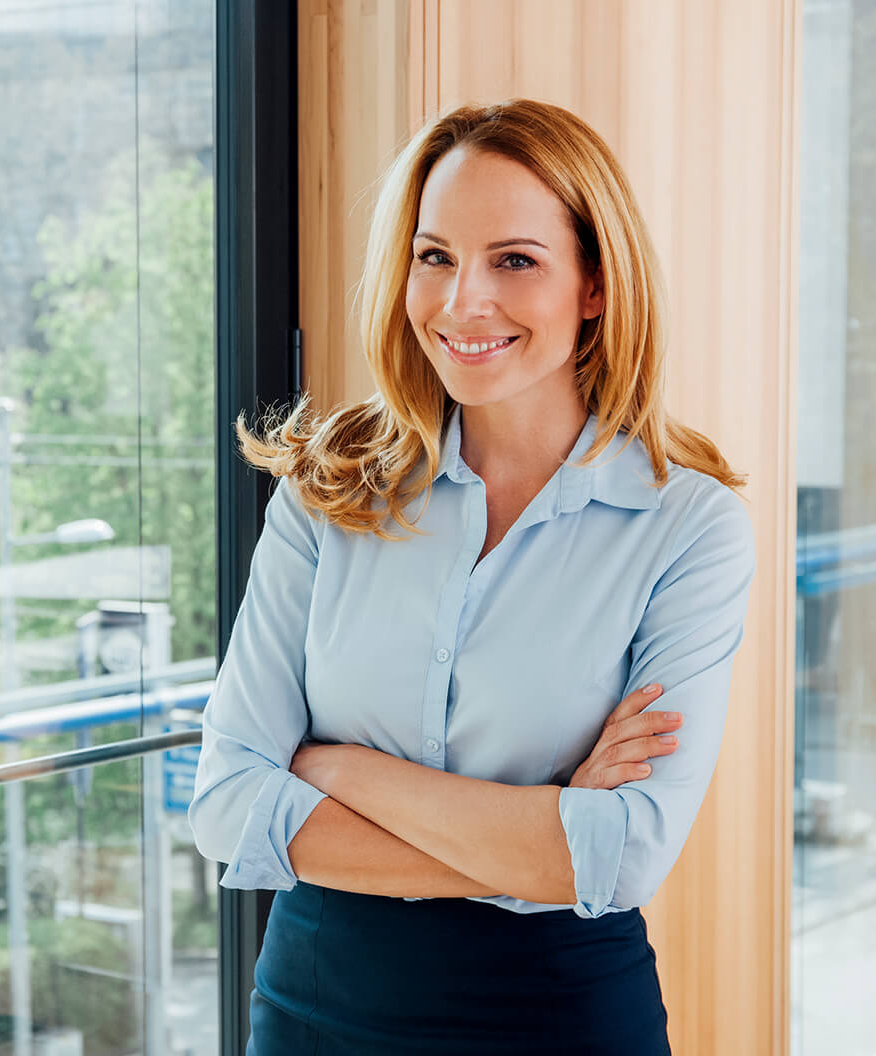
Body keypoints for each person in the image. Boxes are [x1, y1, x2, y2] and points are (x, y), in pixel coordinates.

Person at [188, 98, 756, 1055]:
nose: (462, 302)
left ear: (595, 286)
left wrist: (333, 769)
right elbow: (227, 803)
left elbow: (621, 859)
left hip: (560, 1013)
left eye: (516, 260)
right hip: (317, 1006)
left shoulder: (688, 527)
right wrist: (542, 837)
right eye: (435, 255)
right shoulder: (331, 488)